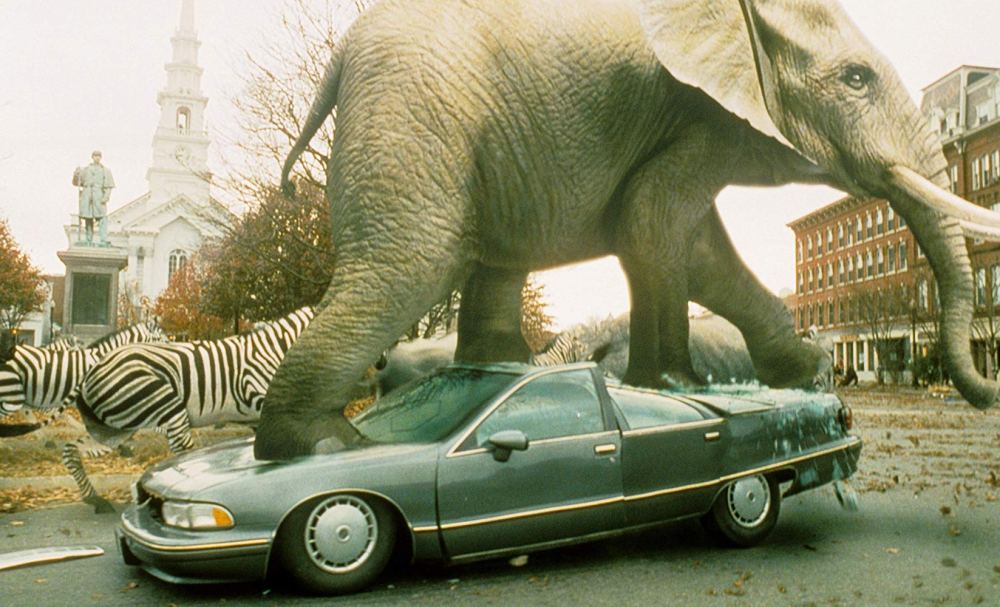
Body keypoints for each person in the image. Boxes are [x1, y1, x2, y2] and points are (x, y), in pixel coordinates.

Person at [72, 150, 114, 245]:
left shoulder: (105, 171)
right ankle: (88, 239)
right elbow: (76, 182)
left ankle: (103, 239)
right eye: (95, 156)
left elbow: (109, 186)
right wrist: (76, 174)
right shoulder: (85, 170)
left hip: (99, 196)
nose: (97, 157)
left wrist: (106, 196)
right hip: (87, 195)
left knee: (102, 217)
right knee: (88, 218)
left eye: (99, 156)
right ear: (92, 157)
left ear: (101, 157)